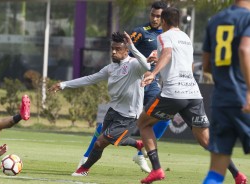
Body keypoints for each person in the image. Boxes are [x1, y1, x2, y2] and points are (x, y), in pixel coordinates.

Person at [135, 7, 247, 184]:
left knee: (143, 123)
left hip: (173, 92)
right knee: (205, 140)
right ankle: (237, 175)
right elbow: (188, 65)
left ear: (163, 21)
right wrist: (162, 59)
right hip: (193, 93)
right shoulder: (186, 38)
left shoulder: (163, 36)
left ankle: (156, 169)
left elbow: (168, 53)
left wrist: (154, 72)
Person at [75, 1, 170, 174]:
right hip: (134, 82)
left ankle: (141, 153)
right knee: (108, 125)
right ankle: (87, 156)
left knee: (165, 117)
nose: (155, 19)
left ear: (164, 17)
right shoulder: (140, 32)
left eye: (158, 16)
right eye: (152, 15)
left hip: (151, 84)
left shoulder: (168, 36)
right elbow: (123, 51)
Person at [48, 31, 150, 176]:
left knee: (99, 143)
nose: (114, 52)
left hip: (128, 116)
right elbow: (90, 79)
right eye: (112, 49)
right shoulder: (110, 68)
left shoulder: (134, 66)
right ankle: (139, 144)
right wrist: (64, 84)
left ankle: (84, 169)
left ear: (126, 50)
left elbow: (146, 66)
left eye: (118, 49)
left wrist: (132, 46)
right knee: (111, 140)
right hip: (113, 111)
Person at [202, 0, 250, 183]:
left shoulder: (215, 20)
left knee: (216, 171)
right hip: (244, 99)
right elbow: (245, 50)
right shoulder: (248, 18)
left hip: (221, 101)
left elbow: (206, 65)